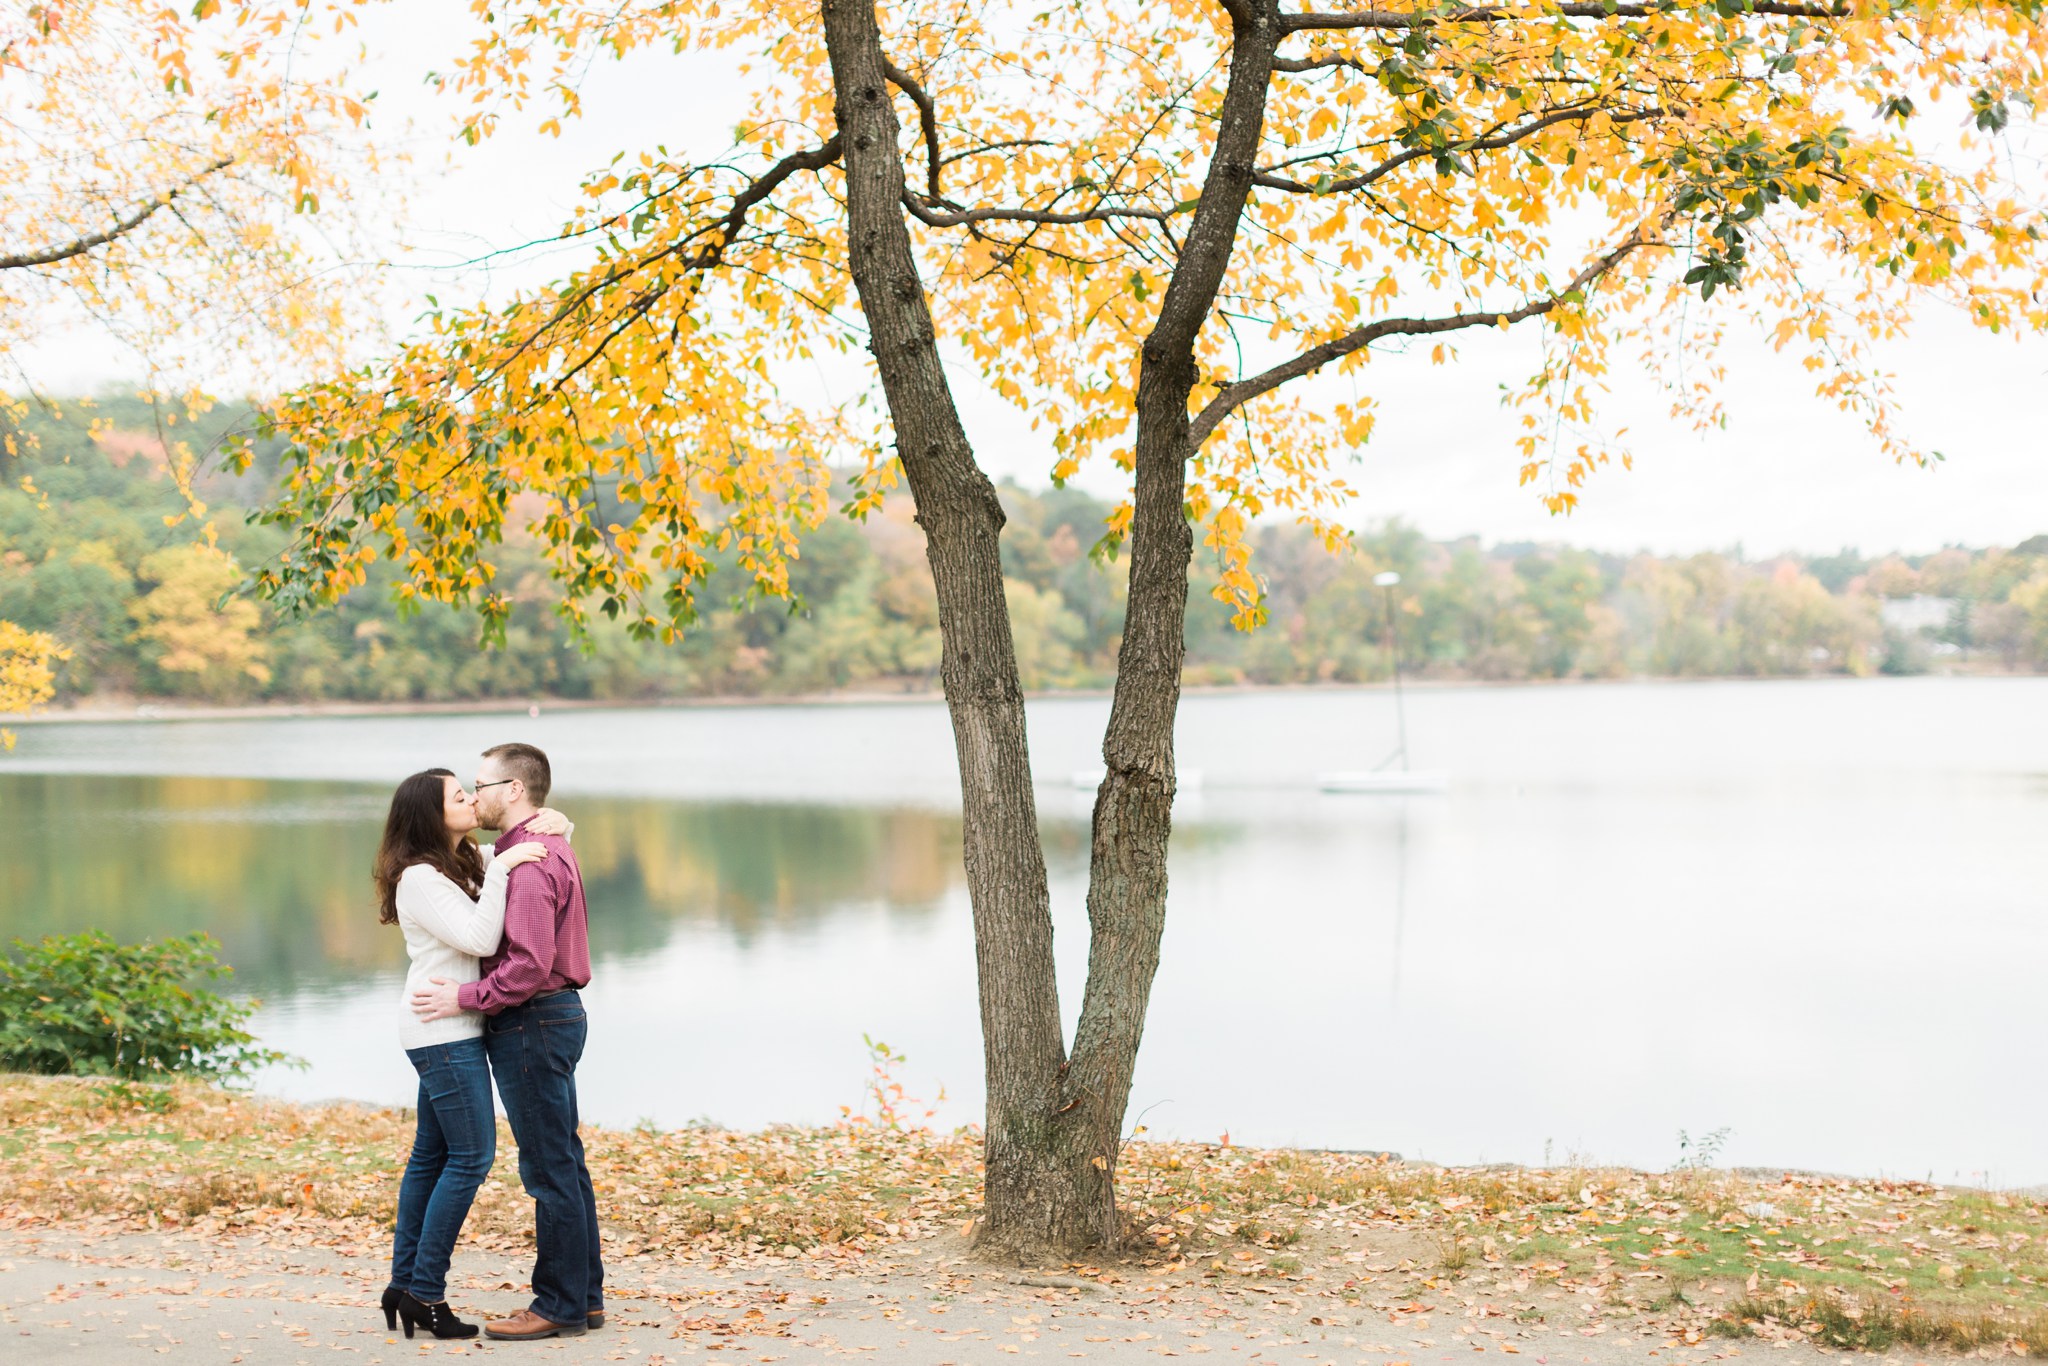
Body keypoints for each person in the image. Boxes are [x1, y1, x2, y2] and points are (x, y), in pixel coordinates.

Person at [411, 742, 603, 1342]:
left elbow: (525, 966)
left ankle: (561, 1305)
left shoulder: (525, 862)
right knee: (564, 1162)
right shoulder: (544, 846)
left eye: (482, 784)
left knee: (548, 1170)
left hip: (532, 1023)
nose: (477, 795)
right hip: (554, 1017)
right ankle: (585, 1297)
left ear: (513, 790)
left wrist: (463, 999)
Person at [371, 768, 570, 1341]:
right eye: (459, 796)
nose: (471, 800)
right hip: (441, 1030)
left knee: (430, 1157)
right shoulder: (421, 878)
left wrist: (558, 822)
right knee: (472, 1157)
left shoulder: (465, 859)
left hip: (453, 1023)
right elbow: (483, 940)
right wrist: (506, 866)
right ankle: (425, 1294)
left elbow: (533, 837)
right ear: (432, 815)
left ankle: (403, 1282)